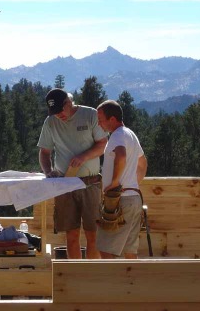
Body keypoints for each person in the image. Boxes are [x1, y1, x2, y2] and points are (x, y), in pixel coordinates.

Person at [37, 88, 108, 259]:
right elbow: (44, 152)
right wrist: (48, 172)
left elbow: (103, 144)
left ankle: (91, 276)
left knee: (93, 234)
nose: (58, 115)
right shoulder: (50, 122)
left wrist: (83, 157)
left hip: (90, 183)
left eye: (60, 110)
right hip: (64, 184)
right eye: (53, 112)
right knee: (71, 235)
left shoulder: (90, 115)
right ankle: (75, 277)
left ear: (69, 103)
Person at [96, 100, 147, 259]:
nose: (99, 124)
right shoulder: (130, 134)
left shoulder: (117, 136)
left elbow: (121, 156)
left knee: (106, 250)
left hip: (120, 201)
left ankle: (112, 284)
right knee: (130, 251)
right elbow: (143, 162)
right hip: (133, 198)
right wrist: (134, 184)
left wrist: (115, 183)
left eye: (101, 120)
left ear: (112, 119)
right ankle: (132, 283)